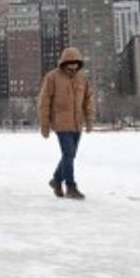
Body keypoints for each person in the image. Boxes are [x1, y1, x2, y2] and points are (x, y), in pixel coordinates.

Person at [37, 47, 94, 200]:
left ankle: (56, 180)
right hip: (61, 123)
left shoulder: (82, 78)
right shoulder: (52, 77)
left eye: (76, 63)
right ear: (64, 62)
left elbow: (88, 100)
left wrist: (89, 120)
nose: (73, 66)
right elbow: (44, 102)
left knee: (70, 155)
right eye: (70, 62)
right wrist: (45, 125)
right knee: (68, 154)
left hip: (77, 123)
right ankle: (71, 187)